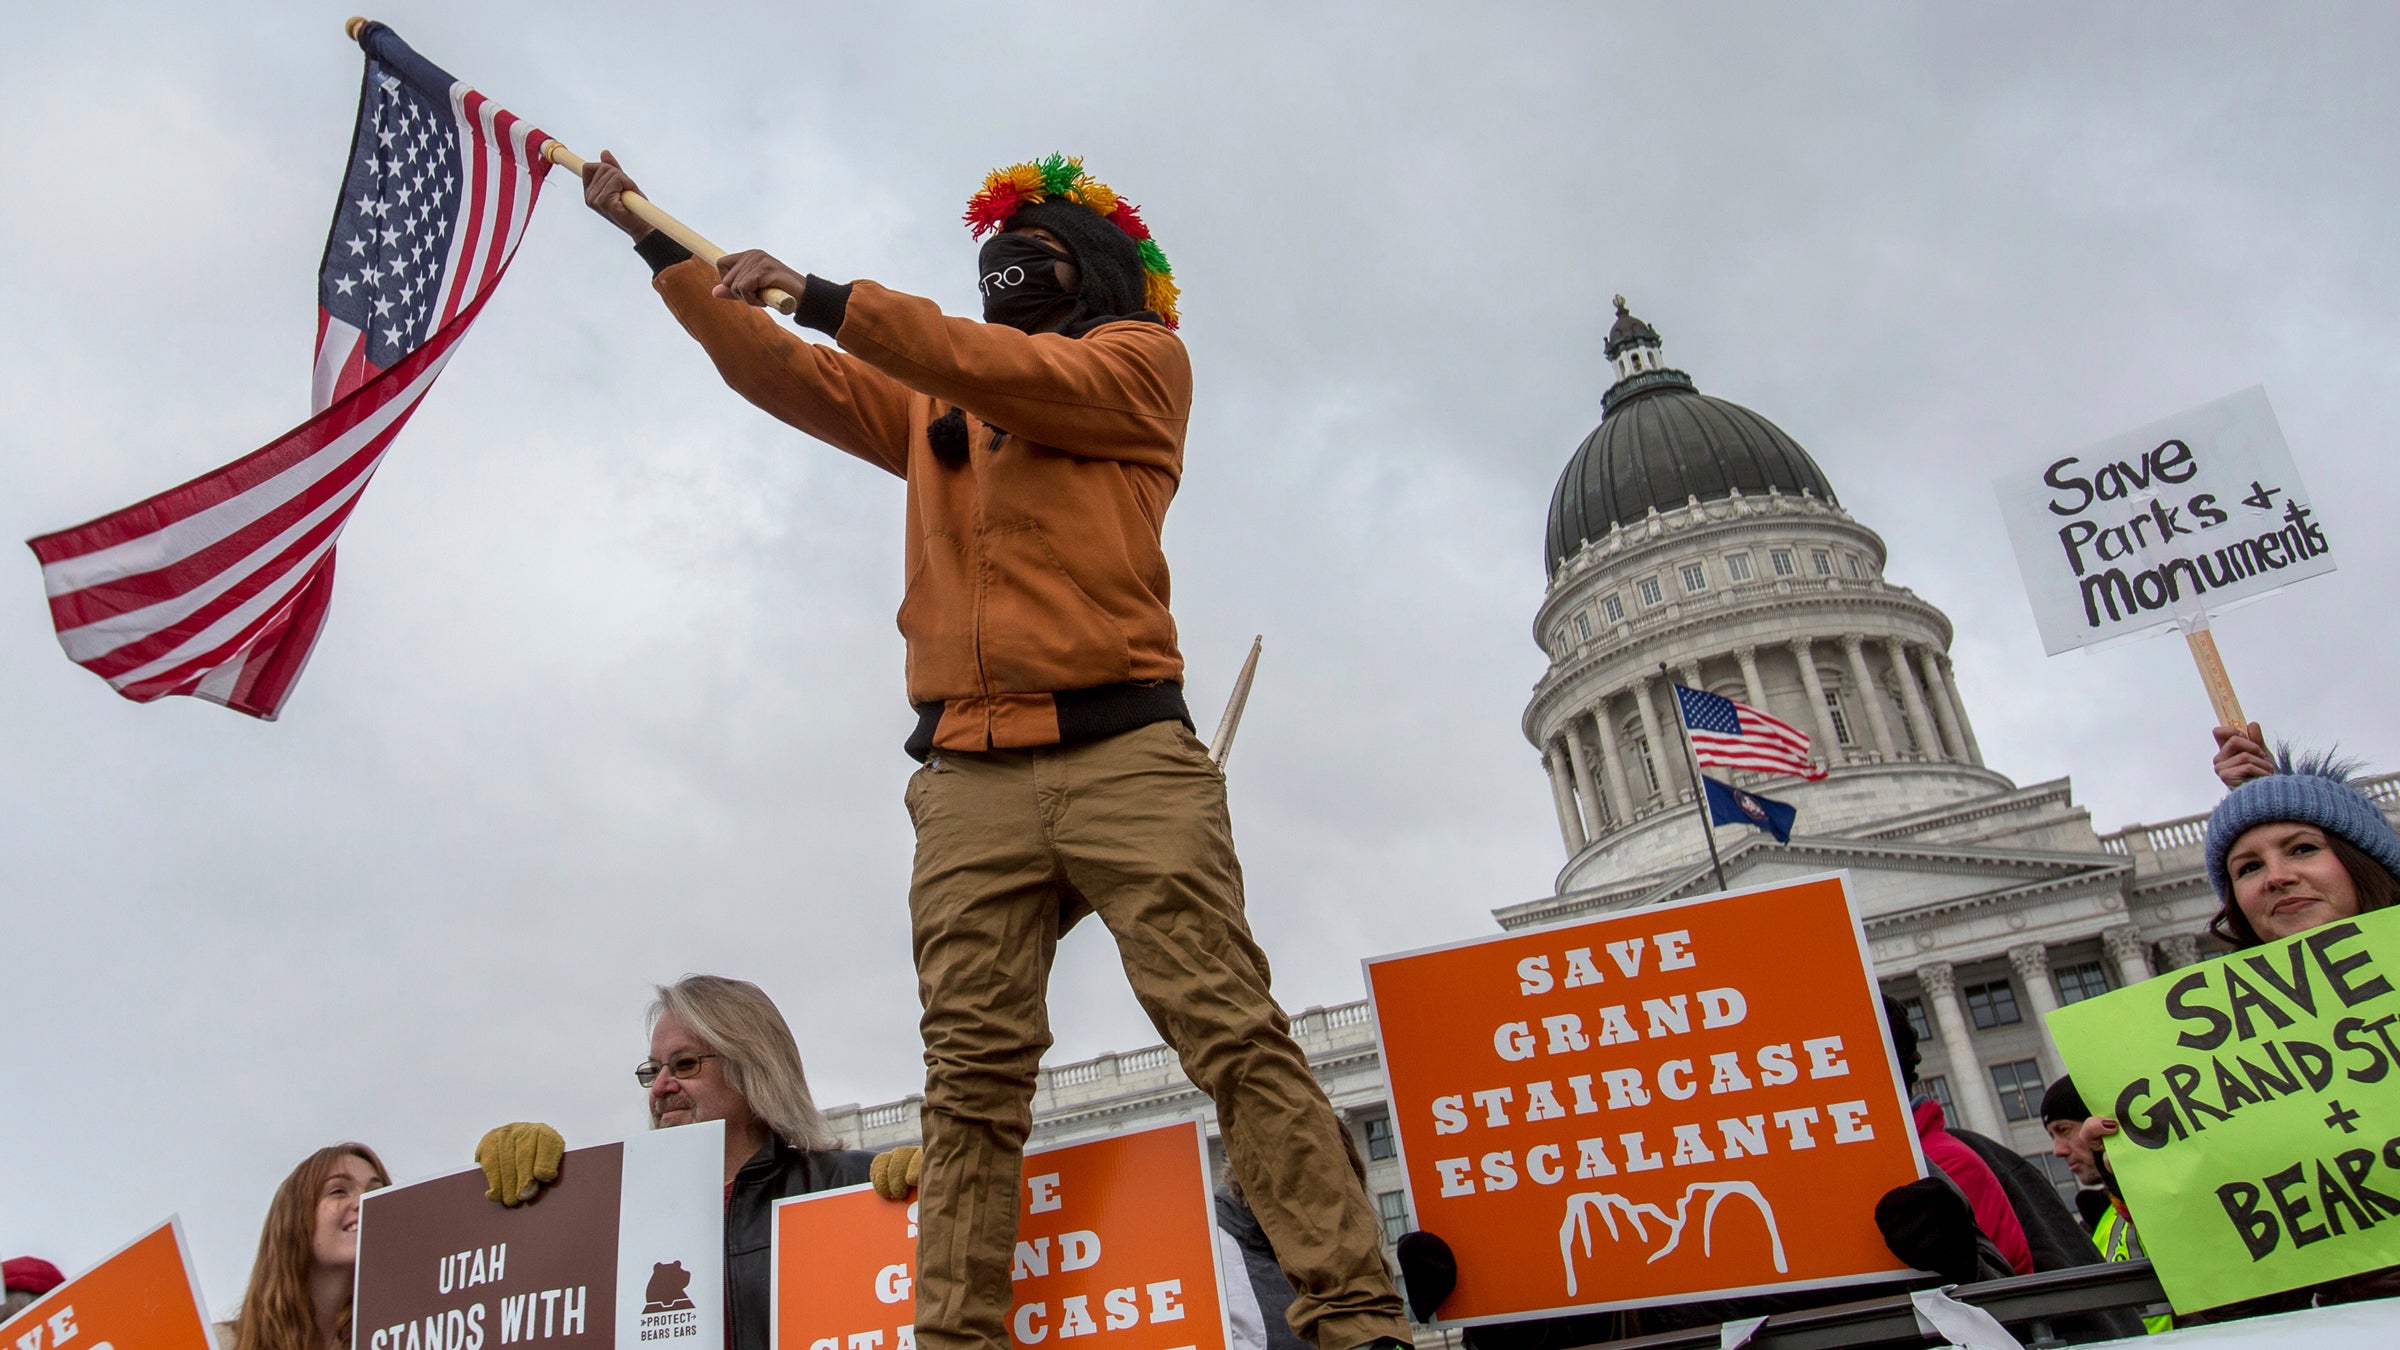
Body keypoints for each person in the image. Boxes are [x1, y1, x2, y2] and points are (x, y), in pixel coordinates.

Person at [573, 148, 1409, 1350]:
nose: (1010, 263)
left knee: (1227, 1031)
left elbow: (988, 364)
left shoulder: (1138, 367)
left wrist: (829, 296)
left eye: (1041, 246)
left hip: (1124, 749)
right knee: (969, 1084)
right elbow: (786, 377)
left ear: (1099, 270)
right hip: (966, 772)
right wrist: (660, 245)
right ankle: (957, 1338)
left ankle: (1355, 1315)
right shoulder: (930, 400)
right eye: (1000, 248)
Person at [2078, 753, 2400, 1321]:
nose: (2276, 876)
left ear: (2362, 859)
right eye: (2247, 868)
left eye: (2303, 849)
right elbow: (2239, 1276)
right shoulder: (2226, 1053)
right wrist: (2138, 1166)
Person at [476, 976, 871, 1350]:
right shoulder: (622, 1214)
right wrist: (533, 1202)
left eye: (685, 1065)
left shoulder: (849, 1186)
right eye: (653, 1071)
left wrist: (927, 1192)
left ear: (752, 1069)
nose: (662, 1086)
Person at [220, 1144, 390, 1350]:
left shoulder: (414, 1334)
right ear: (295, 1220)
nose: (363, 1201)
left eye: (376, 1192)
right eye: (338, 1191)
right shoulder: (220, 1343)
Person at [2043, 1076, 2168, 1335]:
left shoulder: (2162, 1188)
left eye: (2064, 1130)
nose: (2057, 1150)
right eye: (2052, 1136)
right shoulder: (2099, 1219)